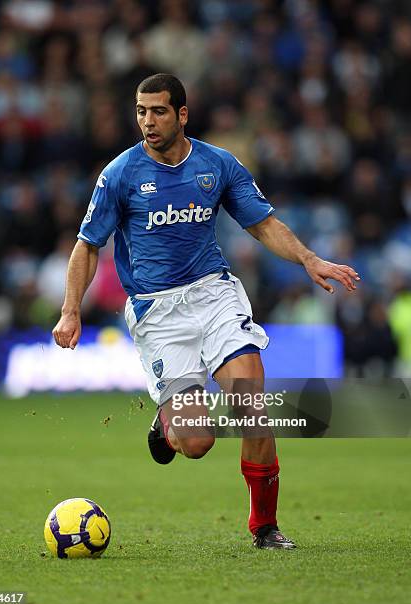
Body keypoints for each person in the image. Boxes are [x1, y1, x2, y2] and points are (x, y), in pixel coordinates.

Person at [52, 73, 359, 549]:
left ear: (182, 114)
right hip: (158, 314)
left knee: (252, 404)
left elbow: (263, 223)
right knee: (197, 443)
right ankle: (169, 425)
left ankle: (265, 527)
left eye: (157, 112)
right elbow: (88, 245)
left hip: (214, 295)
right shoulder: (119, 175)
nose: (147, 122)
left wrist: (309, 259)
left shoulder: (217, 164)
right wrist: (71, 310)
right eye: (140, 111)